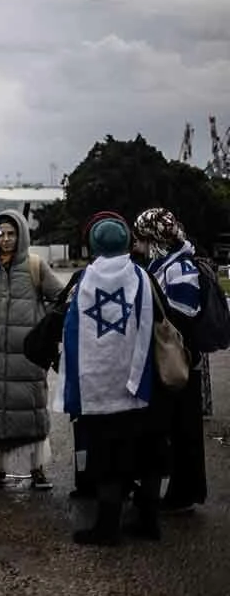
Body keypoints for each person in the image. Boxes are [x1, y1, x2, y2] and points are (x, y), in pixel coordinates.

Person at [57, 214, 164, 545]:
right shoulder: (143, 278)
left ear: (94, 245)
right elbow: (161, 318)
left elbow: (65, 320)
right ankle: (148, 521)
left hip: (98, 384)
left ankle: (106, 527)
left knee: (106, 456)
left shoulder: (82, 279)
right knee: (145, 453)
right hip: (138, 382)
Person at [0, 210, 64, 489]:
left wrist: (39, 322)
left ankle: (38, 469)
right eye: (0, 234)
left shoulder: (35, 265)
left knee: (30, 410)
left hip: (27, 353)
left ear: (21, 235)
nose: (6, 239)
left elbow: (59, 297)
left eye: (11, 233)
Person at [133, 207, 207, 514]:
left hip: (179, 361)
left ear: (153, 238)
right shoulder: (167, 263)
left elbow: (184, 314)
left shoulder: (179, 268)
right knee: (178, 429)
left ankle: (183, 494)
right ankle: (180, 491)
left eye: (139, 238)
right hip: (176, 358)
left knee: (183, 430)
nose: (135, 245)